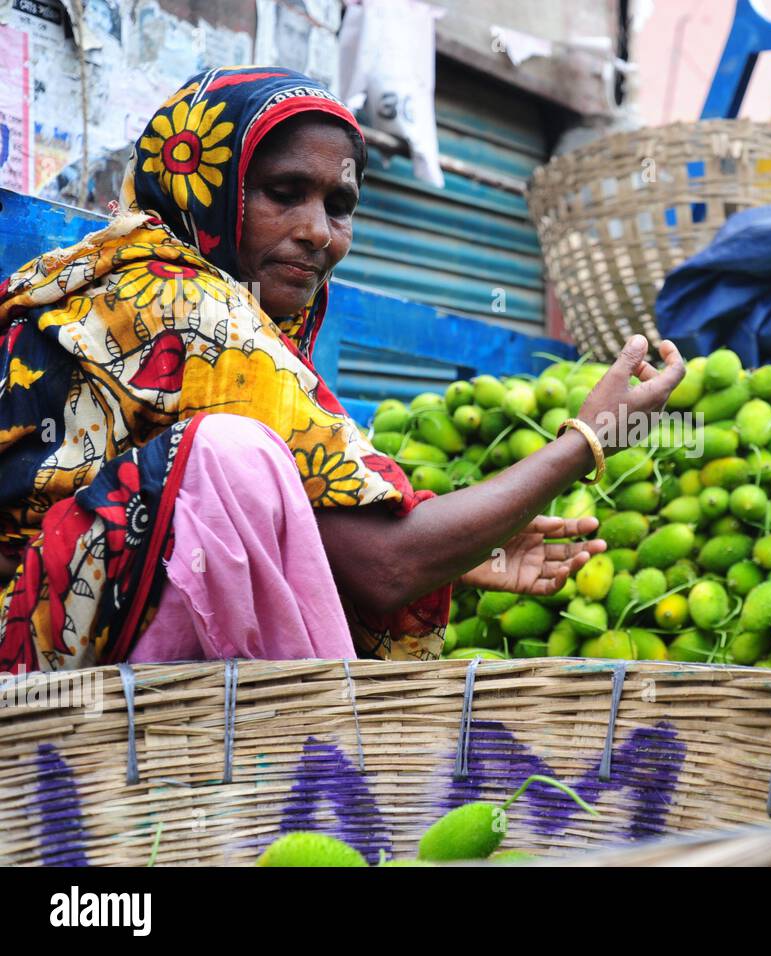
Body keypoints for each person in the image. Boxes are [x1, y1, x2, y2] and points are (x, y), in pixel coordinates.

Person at [0, 66, 684, 674]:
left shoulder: (195, 300)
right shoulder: (183, 305)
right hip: (26, 662)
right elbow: (388, 567)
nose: (318, 231)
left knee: (244, 468)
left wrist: (464, 550)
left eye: (339, 205)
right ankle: (329, 769)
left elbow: (323, 532)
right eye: (283, 192)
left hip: (81, 625)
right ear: (202, 184)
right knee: (230, 460)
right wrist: (585, 441)